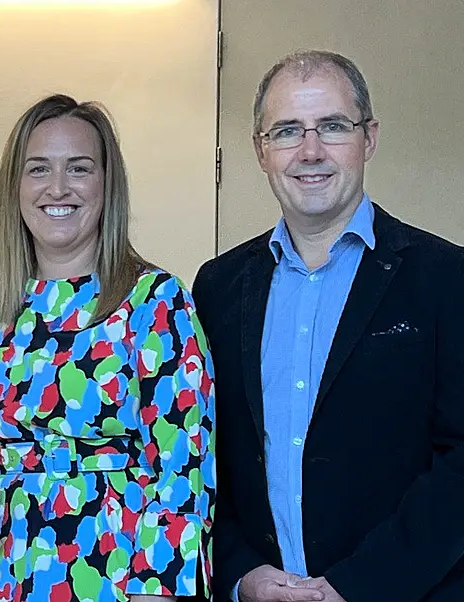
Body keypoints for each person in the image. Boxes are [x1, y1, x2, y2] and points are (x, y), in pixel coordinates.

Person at [192, 49, 464, 602]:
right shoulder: (217, 287)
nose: (310, 151)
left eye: (333, 127)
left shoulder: (445, 278)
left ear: (370, 138)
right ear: (261, 151)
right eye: (287, 130)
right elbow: (199, 453)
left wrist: (356, 587)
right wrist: (242, 572)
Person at [0, 94, 216, 602]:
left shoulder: (154, 301)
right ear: (14, 188)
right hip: (6, 574)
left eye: (79, 168)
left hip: (121, 576)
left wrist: (160, 590)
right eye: (38, 169)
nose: (57, 188)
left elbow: (185, 468)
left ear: (108, 187)